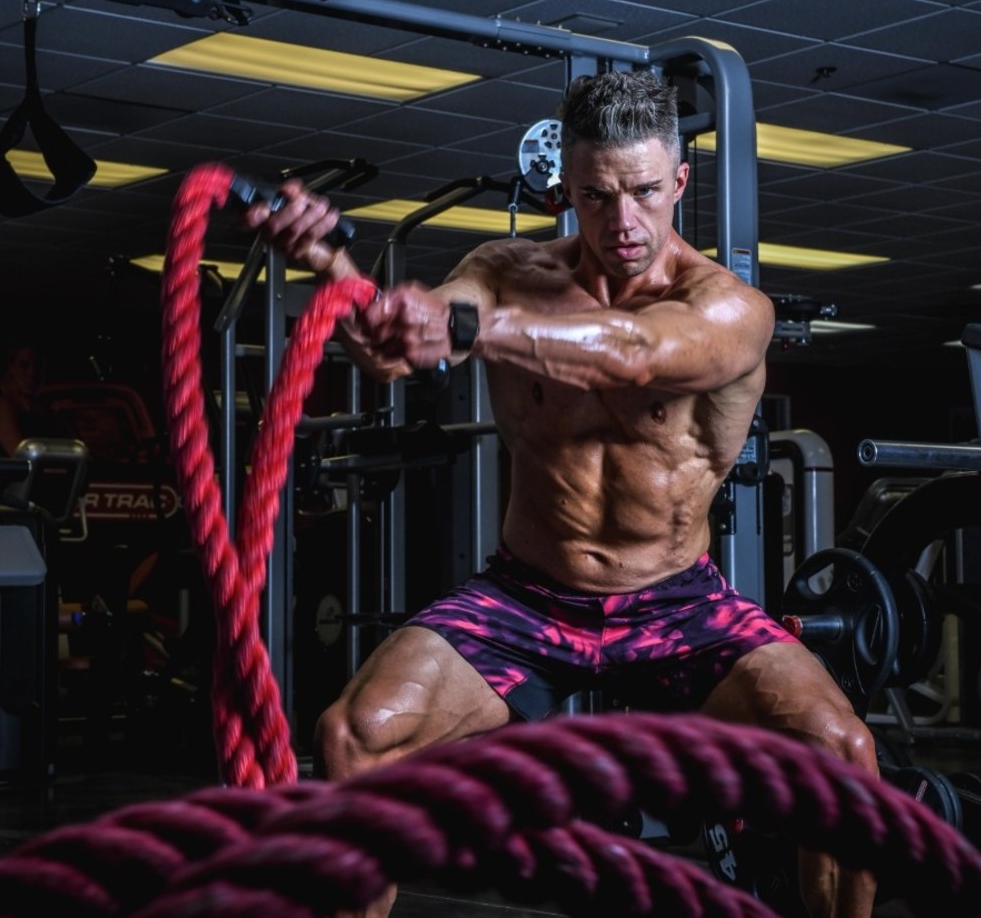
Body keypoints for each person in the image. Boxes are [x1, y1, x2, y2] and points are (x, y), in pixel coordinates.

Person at [247, 69, 878, 918]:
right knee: (356, 736)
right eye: (597, 194)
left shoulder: (731, 310)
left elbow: (631, 353)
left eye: (645, 192)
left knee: (841, 754)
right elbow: (400, 348)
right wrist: (334, 269)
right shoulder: (504, 271)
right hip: (526, 595)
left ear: (680, 183)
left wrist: (470, 329)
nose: (623, 221)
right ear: (568, 186)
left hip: (676, 601)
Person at [0, 341, 63, 457]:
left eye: (38, 366)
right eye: (24, 365)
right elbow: (22, 456)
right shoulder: (3, 408)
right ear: (11, 368)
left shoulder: (45, 410)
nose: (32, 373)